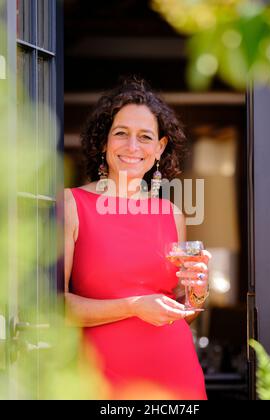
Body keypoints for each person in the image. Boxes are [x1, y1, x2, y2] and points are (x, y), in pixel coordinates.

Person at [64, 76, 211, 400]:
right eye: (121, 133)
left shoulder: (172, 213)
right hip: (98, 377)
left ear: (159, 148)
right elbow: (55, 305)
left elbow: (183, 309)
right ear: (104, 141)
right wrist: (133, 306)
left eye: (145, 137)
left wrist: (197, 290)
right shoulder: (72, 205)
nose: (132, 147)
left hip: (175, 374)